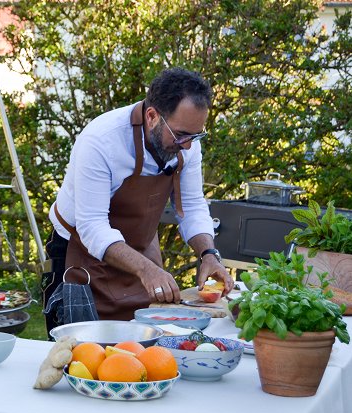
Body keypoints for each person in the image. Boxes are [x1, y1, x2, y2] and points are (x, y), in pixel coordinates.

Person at [43, 67, 234, 330]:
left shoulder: (186, 140)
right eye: (180, 135)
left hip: (141, 255)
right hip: (78, 257)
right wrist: (146, 269)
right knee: (79, 354)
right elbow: (92, 227)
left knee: (142, 348)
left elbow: (190, 206)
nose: (188, 145)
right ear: (152, 116)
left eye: (196, 135)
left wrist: (209, 254)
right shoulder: (101, 140)